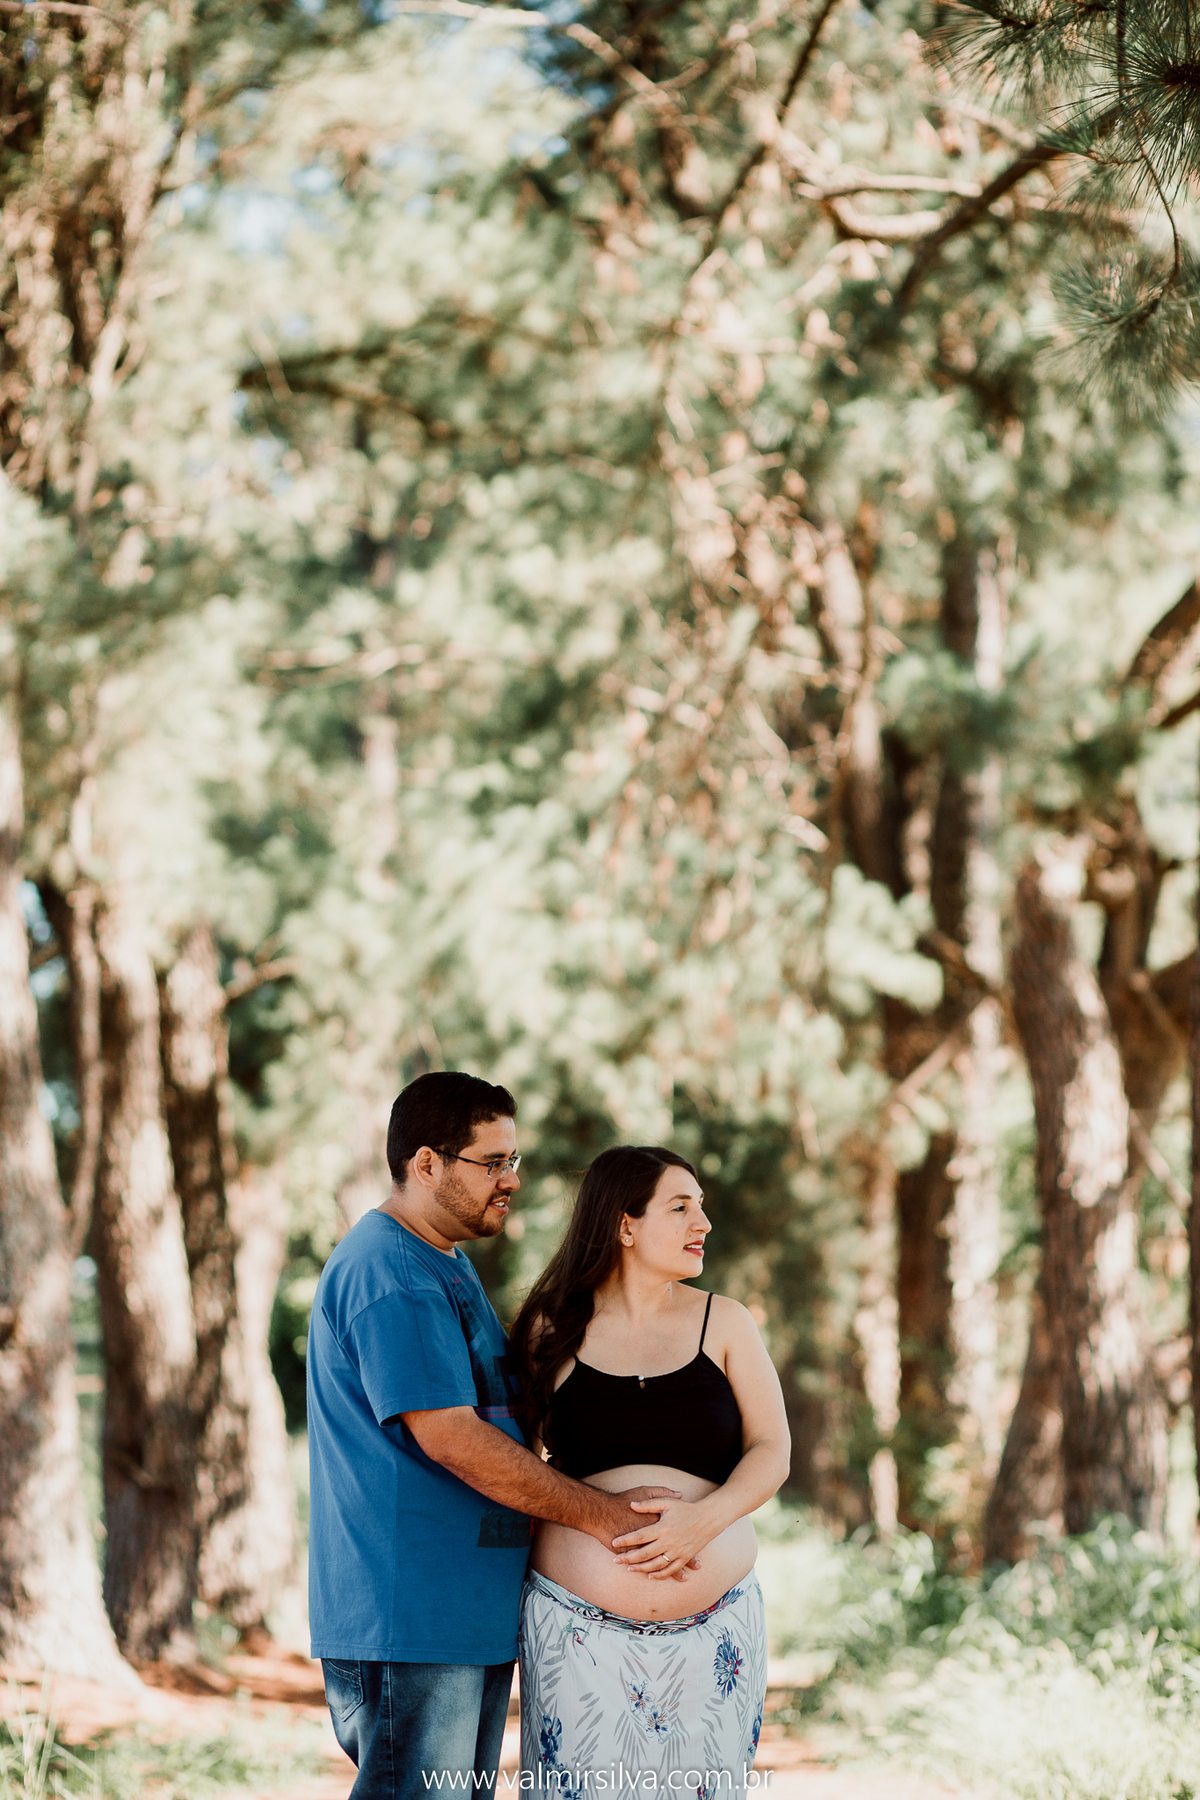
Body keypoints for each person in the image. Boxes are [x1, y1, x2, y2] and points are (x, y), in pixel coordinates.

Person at [307, 1073, 682, 1800]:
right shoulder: (391, 1271)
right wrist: (605, 1517)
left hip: (460, 1618)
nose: (511, 1179)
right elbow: (453, 1438)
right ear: (426, 1164)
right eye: (492, 1162)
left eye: (513, 1160)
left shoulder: (443, 1260)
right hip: (411, 1618)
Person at [509, 1145, 792, 1800]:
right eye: (681, 1207)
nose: (704, 1223)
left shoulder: (726, 1321)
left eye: (702, 1206)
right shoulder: (550, 1328)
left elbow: (772, 1449)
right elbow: (520, 1468)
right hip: (576, 1634)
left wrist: (703, 1523)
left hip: (716, 1634)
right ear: (625, 1224)